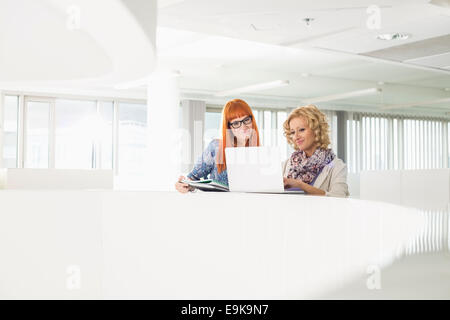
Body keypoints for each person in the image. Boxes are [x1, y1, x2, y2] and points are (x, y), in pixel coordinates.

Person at [175, 99, 261, 193]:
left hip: (249, 205)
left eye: (246, 120)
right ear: (229, 127)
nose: (243, 126)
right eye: (236, 123)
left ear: (251, 120)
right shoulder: (216, 148)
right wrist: (186, 185)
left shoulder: (261, 152)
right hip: (217, 205)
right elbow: (192, 178)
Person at [282, 105, 349, 197]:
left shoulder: (336, 166)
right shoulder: (287, 164)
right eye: (293, 132)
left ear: (316, 130)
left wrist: (301, 185)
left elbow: (339, 197)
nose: (296, 137)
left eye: (301, 130)